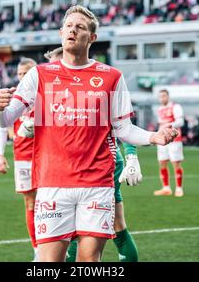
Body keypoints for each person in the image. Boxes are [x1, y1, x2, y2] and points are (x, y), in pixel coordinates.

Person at [0, 5, 178, 262]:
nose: (72, 30)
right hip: (52, 182)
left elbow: (123, 128)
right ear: (61, 33)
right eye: (69, 26)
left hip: (97, 184)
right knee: (49, 262)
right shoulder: (39, 75)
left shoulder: (112, 77)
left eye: (80, 27)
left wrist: (153, 137)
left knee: (90, 261)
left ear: (91, 37)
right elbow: (7, 119)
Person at [45, 46, 141, 262]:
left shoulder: (98, 84)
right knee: (70, 232)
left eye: (55, 63)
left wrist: (132, 156)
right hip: (67, 169)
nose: (53, 68)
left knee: (116, 225)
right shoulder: (54, 91)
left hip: (100, 167)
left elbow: (123, 125)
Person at [0, 58, 38, 261]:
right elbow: (3, 126)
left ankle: (58, 247)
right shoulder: (15, 96)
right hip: (23, 157)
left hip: (48, 154)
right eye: (20, 73)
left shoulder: (45, 93)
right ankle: (38, 250)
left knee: (53, 203)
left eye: (26, 72)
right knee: (30, 204)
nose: (22, 77)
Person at [154, 89, 185, 197]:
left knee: (176, 163)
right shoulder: (160, 109)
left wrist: (168, 125)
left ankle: (179, 188)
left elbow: (180, 122)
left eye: (164, 96)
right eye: (160, 96)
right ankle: (166, 188)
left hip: (174, 140)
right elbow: (160, 125)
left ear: (168, 96)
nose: (162, 98)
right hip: (162, 140)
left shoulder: (175, 107)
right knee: (162, 162)